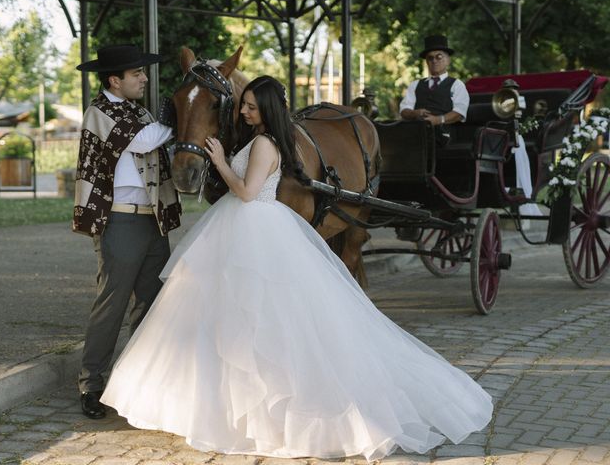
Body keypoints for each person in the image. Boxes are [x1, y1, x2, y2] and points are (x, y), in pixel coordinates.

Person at [100, 75, 492, 461]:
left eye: (252, 106)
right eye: (244, 104)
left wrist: (219, 161)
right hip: (243, 226)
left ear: (267, 109)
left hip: (255, 223)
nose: (244, 111)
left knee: (259, 314)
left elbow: (248, 192)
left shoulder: (266, 144)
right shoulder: (259, 139)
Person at [73, 44, 181, 419]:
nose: (144, 79)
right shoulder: (99, 111)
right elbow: (146, 141)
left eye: (143, 73)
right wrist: (181, 115)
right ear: (114, 80)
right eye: (137, 74)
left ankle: (136, 381)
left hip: (152, 218)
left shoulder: (139, 111)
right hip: (118, 220)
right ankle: (92, 383)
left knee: (152, 304)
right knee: (112, 304)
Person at [399, 35, 469, 144]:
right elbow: (404, 111)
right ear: (426, 62)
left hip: (444, 137)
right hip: (416, 135)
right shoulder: (415, 85)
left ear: (447, 60)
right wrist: (415, 113)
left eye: (439, 57)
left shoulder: (457, 85)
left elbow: (459, 113)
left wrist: (438, 120)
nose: (434, 61)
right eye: (430, 58)